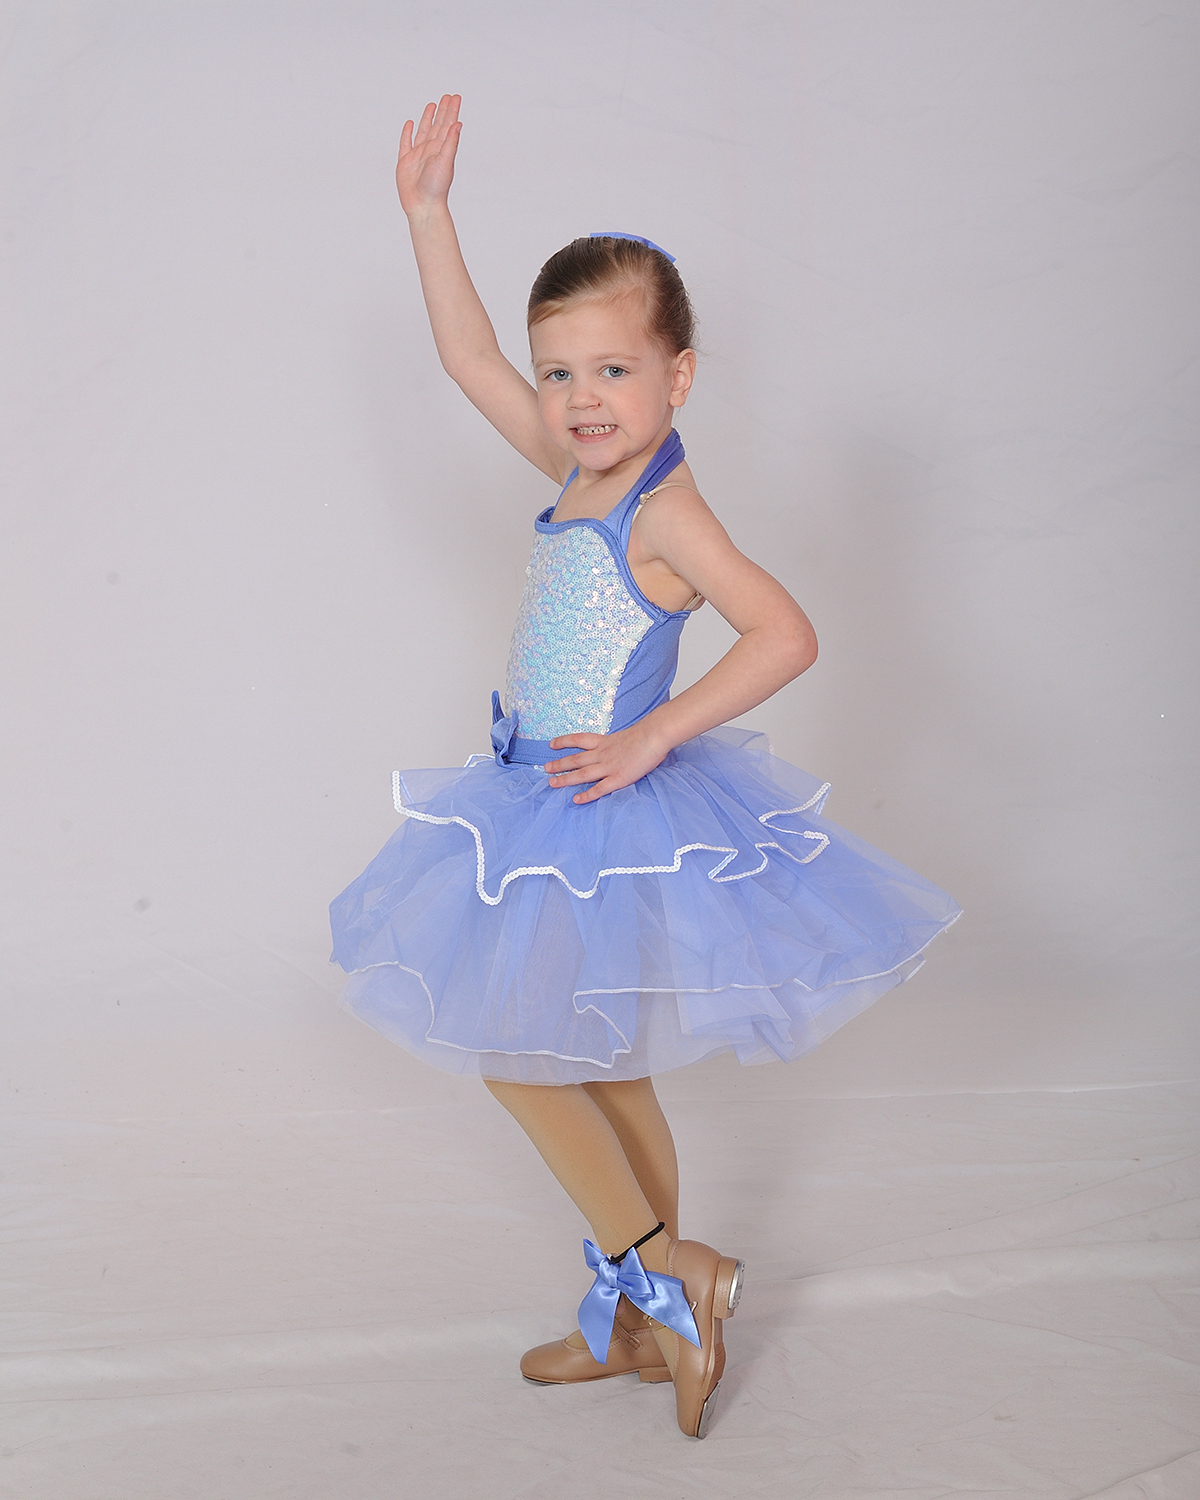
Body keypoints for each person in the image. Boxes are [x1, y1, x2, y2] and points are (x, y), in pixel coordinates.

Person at [329, 94, 961, 1440]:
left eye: (612, 371)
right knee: (604, 1067)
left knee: (518, 1054)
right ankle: (637, 1321)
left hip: (594, 809)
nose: (580, 399)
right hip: (537, 799)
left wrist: (653, 734)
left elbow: (785, 632)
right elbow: (467, 357)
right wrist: (430, 215)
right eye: (561, 374)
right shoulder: (576, 469)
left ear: (678, 377)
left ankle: (674, 1274)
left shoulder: (667, 509)